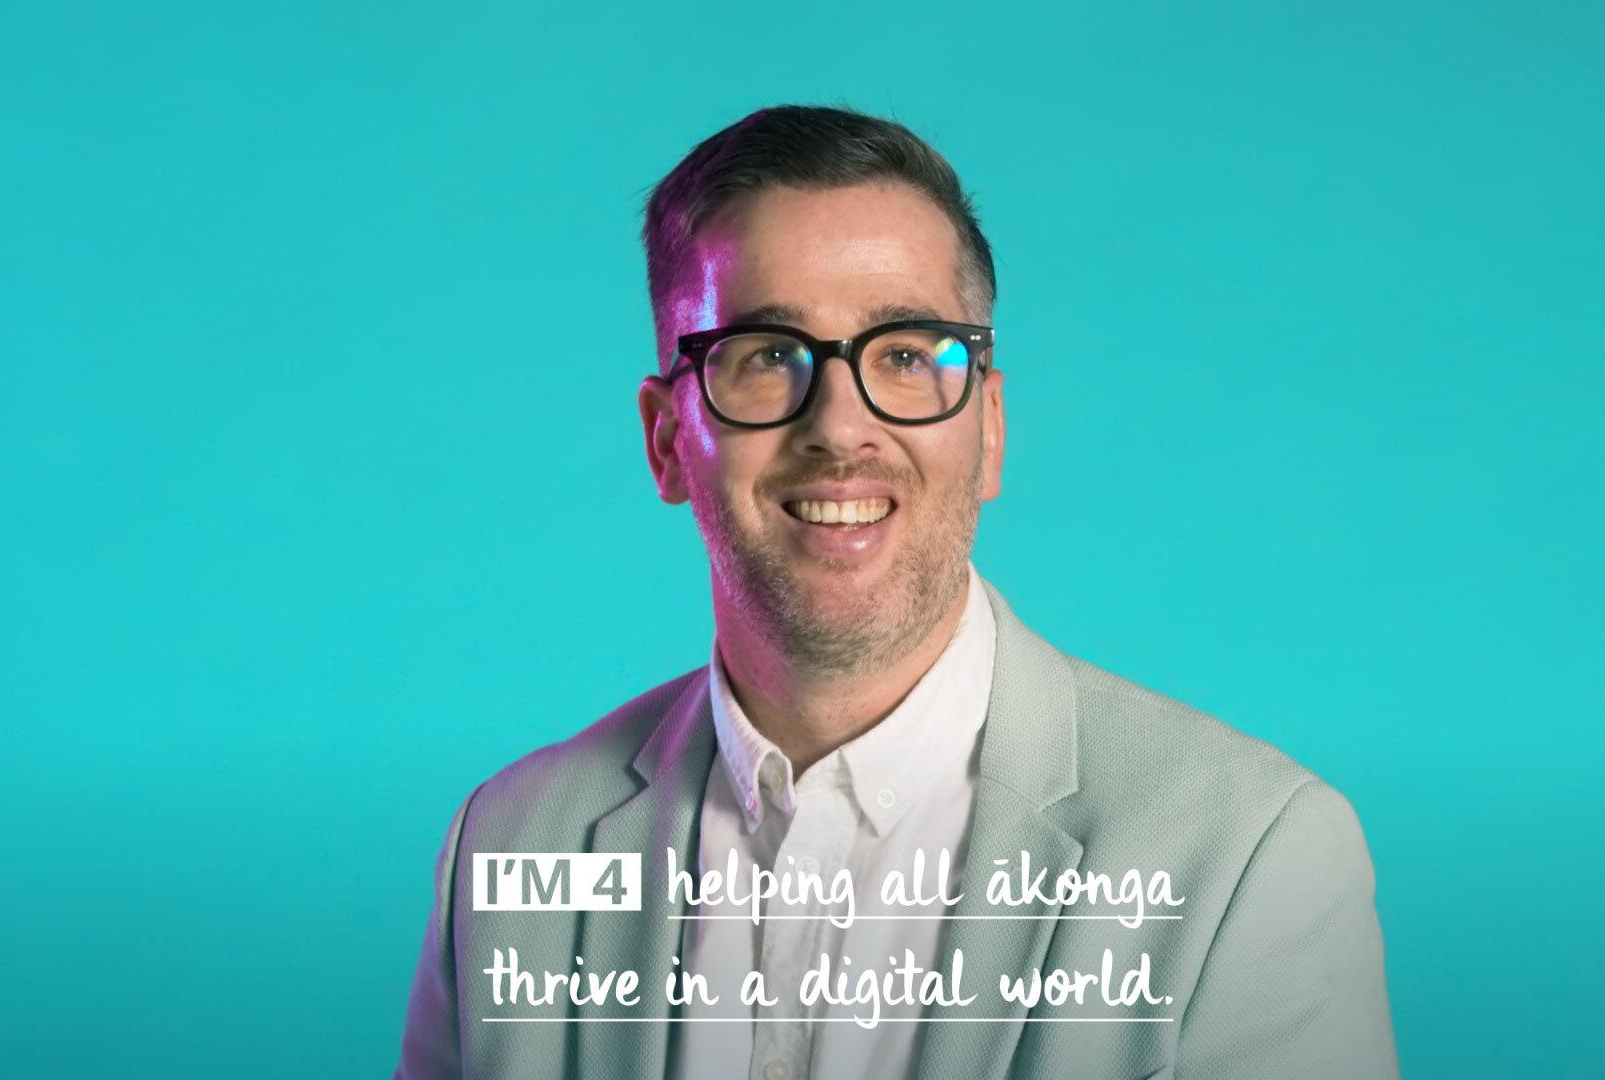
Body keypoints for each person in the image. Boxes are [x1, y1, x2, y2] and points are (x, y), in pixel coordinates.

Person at [395, 104, 1399, 1080]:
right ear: (666, 441)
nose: (839, 426)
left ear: (990, 427)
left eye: (908, 356)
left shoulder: (1248, 860)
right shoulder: (510, 843)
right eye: (763, 357)